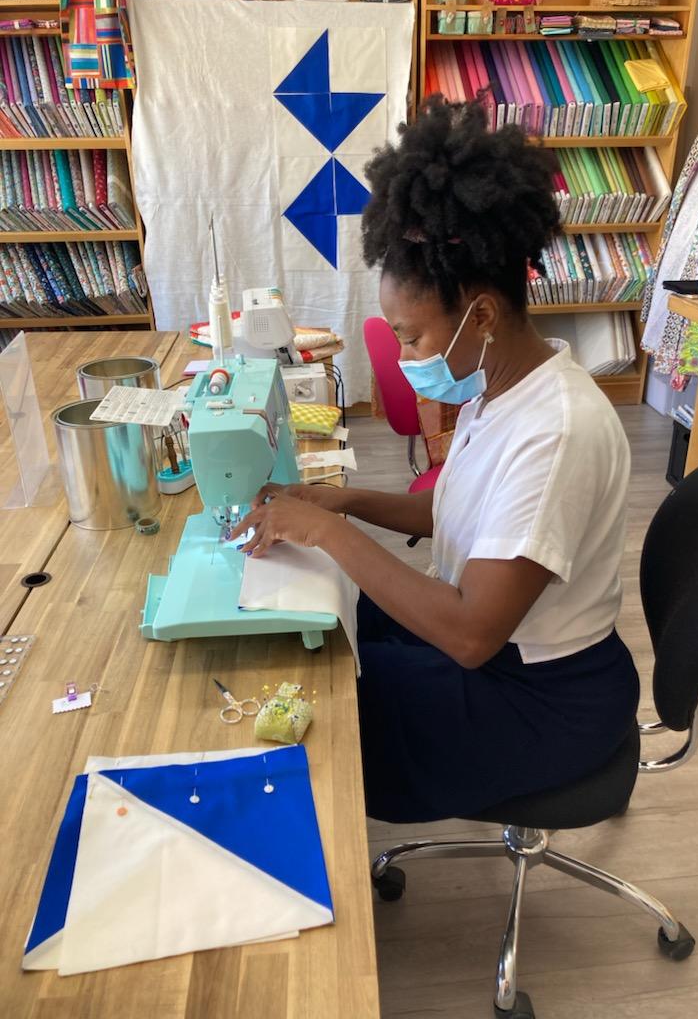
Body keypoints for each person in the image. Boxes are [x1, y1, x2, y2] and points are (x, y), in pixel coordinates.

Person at [230, 97, 639, 824]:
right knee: (332, 631)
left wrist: (329, 535)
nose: (406, 356)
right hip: (496, 648)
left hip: (541, 698)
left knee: (327, 713)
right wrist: (340, 503)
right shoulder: (501, 383)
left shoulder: (558, 433)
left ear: (480, 315)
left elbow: (471, 635)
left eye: (411, 339)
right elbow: (451, 508)